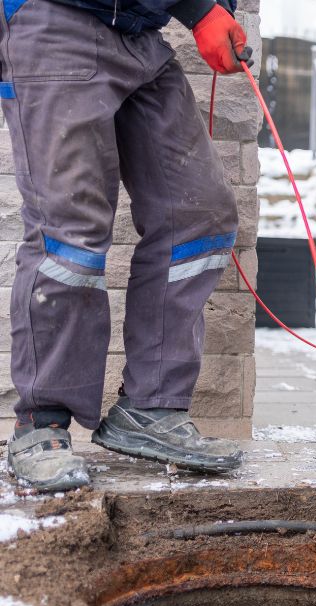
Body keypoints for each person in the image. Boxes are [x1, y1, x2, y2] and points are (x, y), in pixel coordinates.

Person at [2, 0, 253, 492]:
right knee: (70, 230)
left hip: (140, 35)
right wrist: (200, 10)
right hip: (59, 21)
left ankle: (150, 407)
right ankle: (41, 424)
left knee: (198, 216)